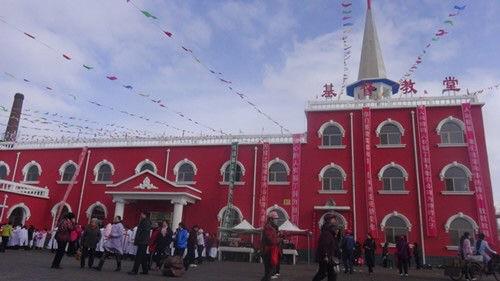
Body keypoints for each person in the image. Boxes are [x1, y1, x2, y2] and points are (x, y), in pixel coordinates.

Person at [312, 213, 338, 281]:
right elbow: (324, 244)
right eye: (333, 219)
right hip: (325, 257)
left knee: (331, 274)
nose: (335, 220)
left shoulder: (329, 231)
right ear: (329, 220)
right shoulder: (327, 231)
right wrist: (326, 255)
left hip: (328, 256)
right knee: (323, 273)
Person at [261, 211, 280, 281]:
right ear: (271, 219)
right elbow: (271, 241)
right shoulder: (268, 228)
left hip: (269, 251)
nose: (277, 220)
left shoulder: (273, 227)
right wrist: (279, 239)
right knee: (269, 272)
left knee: (269, 272)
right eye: (276, 219)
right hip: (267, 252)